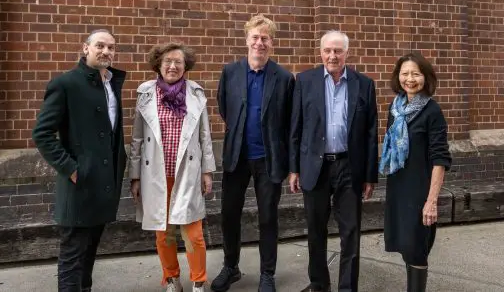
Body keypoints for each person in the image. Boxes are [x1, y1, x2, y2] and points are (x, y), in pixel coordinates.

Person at [32, 29, 127, 292]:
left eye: (111, 47)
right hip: (79, 183)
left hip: (104, 184)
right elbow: (42, 134)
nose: (106, 51)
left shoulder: (110, 83)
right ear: (85, 49)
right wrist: (71, 168)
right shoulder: (66, 84)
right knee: (73, 255)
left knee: (90, 252)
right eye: (100, 45)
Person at [289, 30, 378, 292]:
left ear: (347, 53)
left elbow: (372, 132)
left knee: (350, 233)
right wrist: (294, 168)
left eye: (338, 50)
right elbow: (295, 127)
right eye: (328, 50)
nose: (332, 55)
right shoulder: (305, 80)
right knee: (316, 231)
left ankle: (347, 288)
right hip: (314, 167)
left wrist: (370, 175)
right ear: (321, 52)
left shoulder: (364, 84)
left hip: (350, 167)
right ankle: (319, 285)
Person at [212, 15, 295, 292]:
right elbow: (225, 108)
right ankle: (231, 266)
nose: (260, 43)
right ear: (247, 39)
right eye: (255, 37)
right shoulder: (231, 72)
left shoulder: (283, 78)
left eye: (265, 38)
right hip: (237, 157)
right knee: (229, 214)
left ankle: (267, 274)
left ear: (272, 42)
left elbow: (289, 120)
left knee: (267, 217)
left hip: (269, 158)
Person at [128, 43, 216, 292]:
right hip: (155, 174)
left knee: (193, 234)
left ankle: (198, 281)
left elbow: (204, 136)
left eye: (178, 61)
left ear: (185, 66)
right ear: (158, 64)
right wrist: (134, 176)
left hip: (187, 172)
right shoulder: (146, 93)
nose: (173, 66)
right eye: (167, 61)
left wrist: (207, 171)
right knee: (163, 234)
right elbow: (136, 139)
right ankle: (172, 279)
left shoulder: (196, 93)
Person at [379, 52, 451, 292]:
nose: (410, 79)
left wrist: (431, 202)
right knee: (406, 248)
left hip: (420, 191)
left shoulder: (432, 112)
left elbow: (440, 160)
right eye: (405, 73)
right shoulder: (396, 107)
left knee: (417, 249)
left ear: (425, 77)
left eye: (416, 74)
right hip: (399, 188)